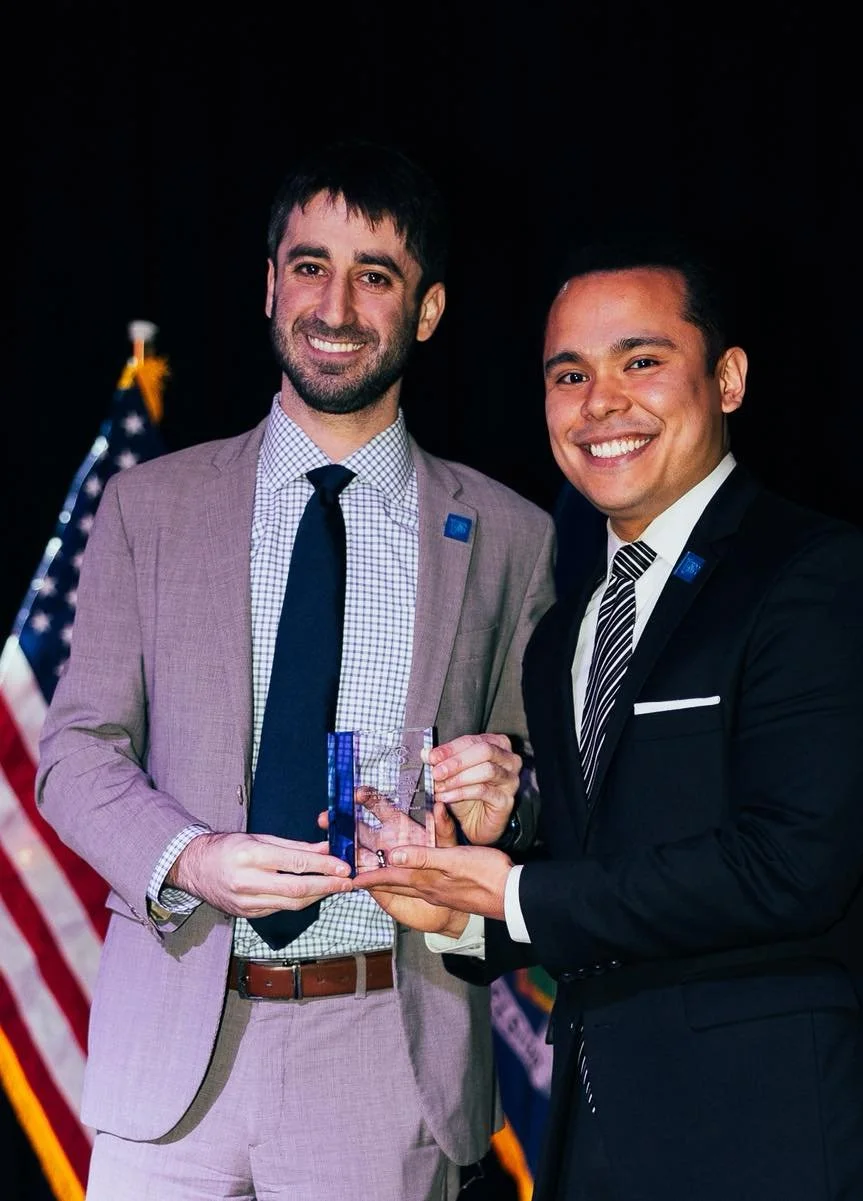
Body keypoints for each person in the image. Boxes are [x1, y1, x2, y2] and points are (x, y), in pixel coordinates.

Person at [356, 233, 863, 1200]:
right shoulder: (564, 631)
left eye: (642, 361)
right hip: (597, 1142)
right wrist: (461, 918)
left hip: (787, 1141)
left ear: (727, 379)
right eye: (569, 373)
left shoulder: (817, 577)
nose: (602, 403)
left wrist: (511, 895)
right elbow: (609, 879)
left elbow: (788, 869)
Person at [35, 139, 556, 1201]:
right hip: (173, 1045)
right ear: (271, 283)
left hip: (383, 1053)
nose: (337, 302)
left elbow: (538, 788)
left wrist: (509, 804)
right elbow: (73, 755)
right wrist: (192, 858)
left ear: (429, 309)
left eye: (377, 275)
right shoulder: (151, 508)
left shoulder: (509, 534)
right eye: (310, 264)